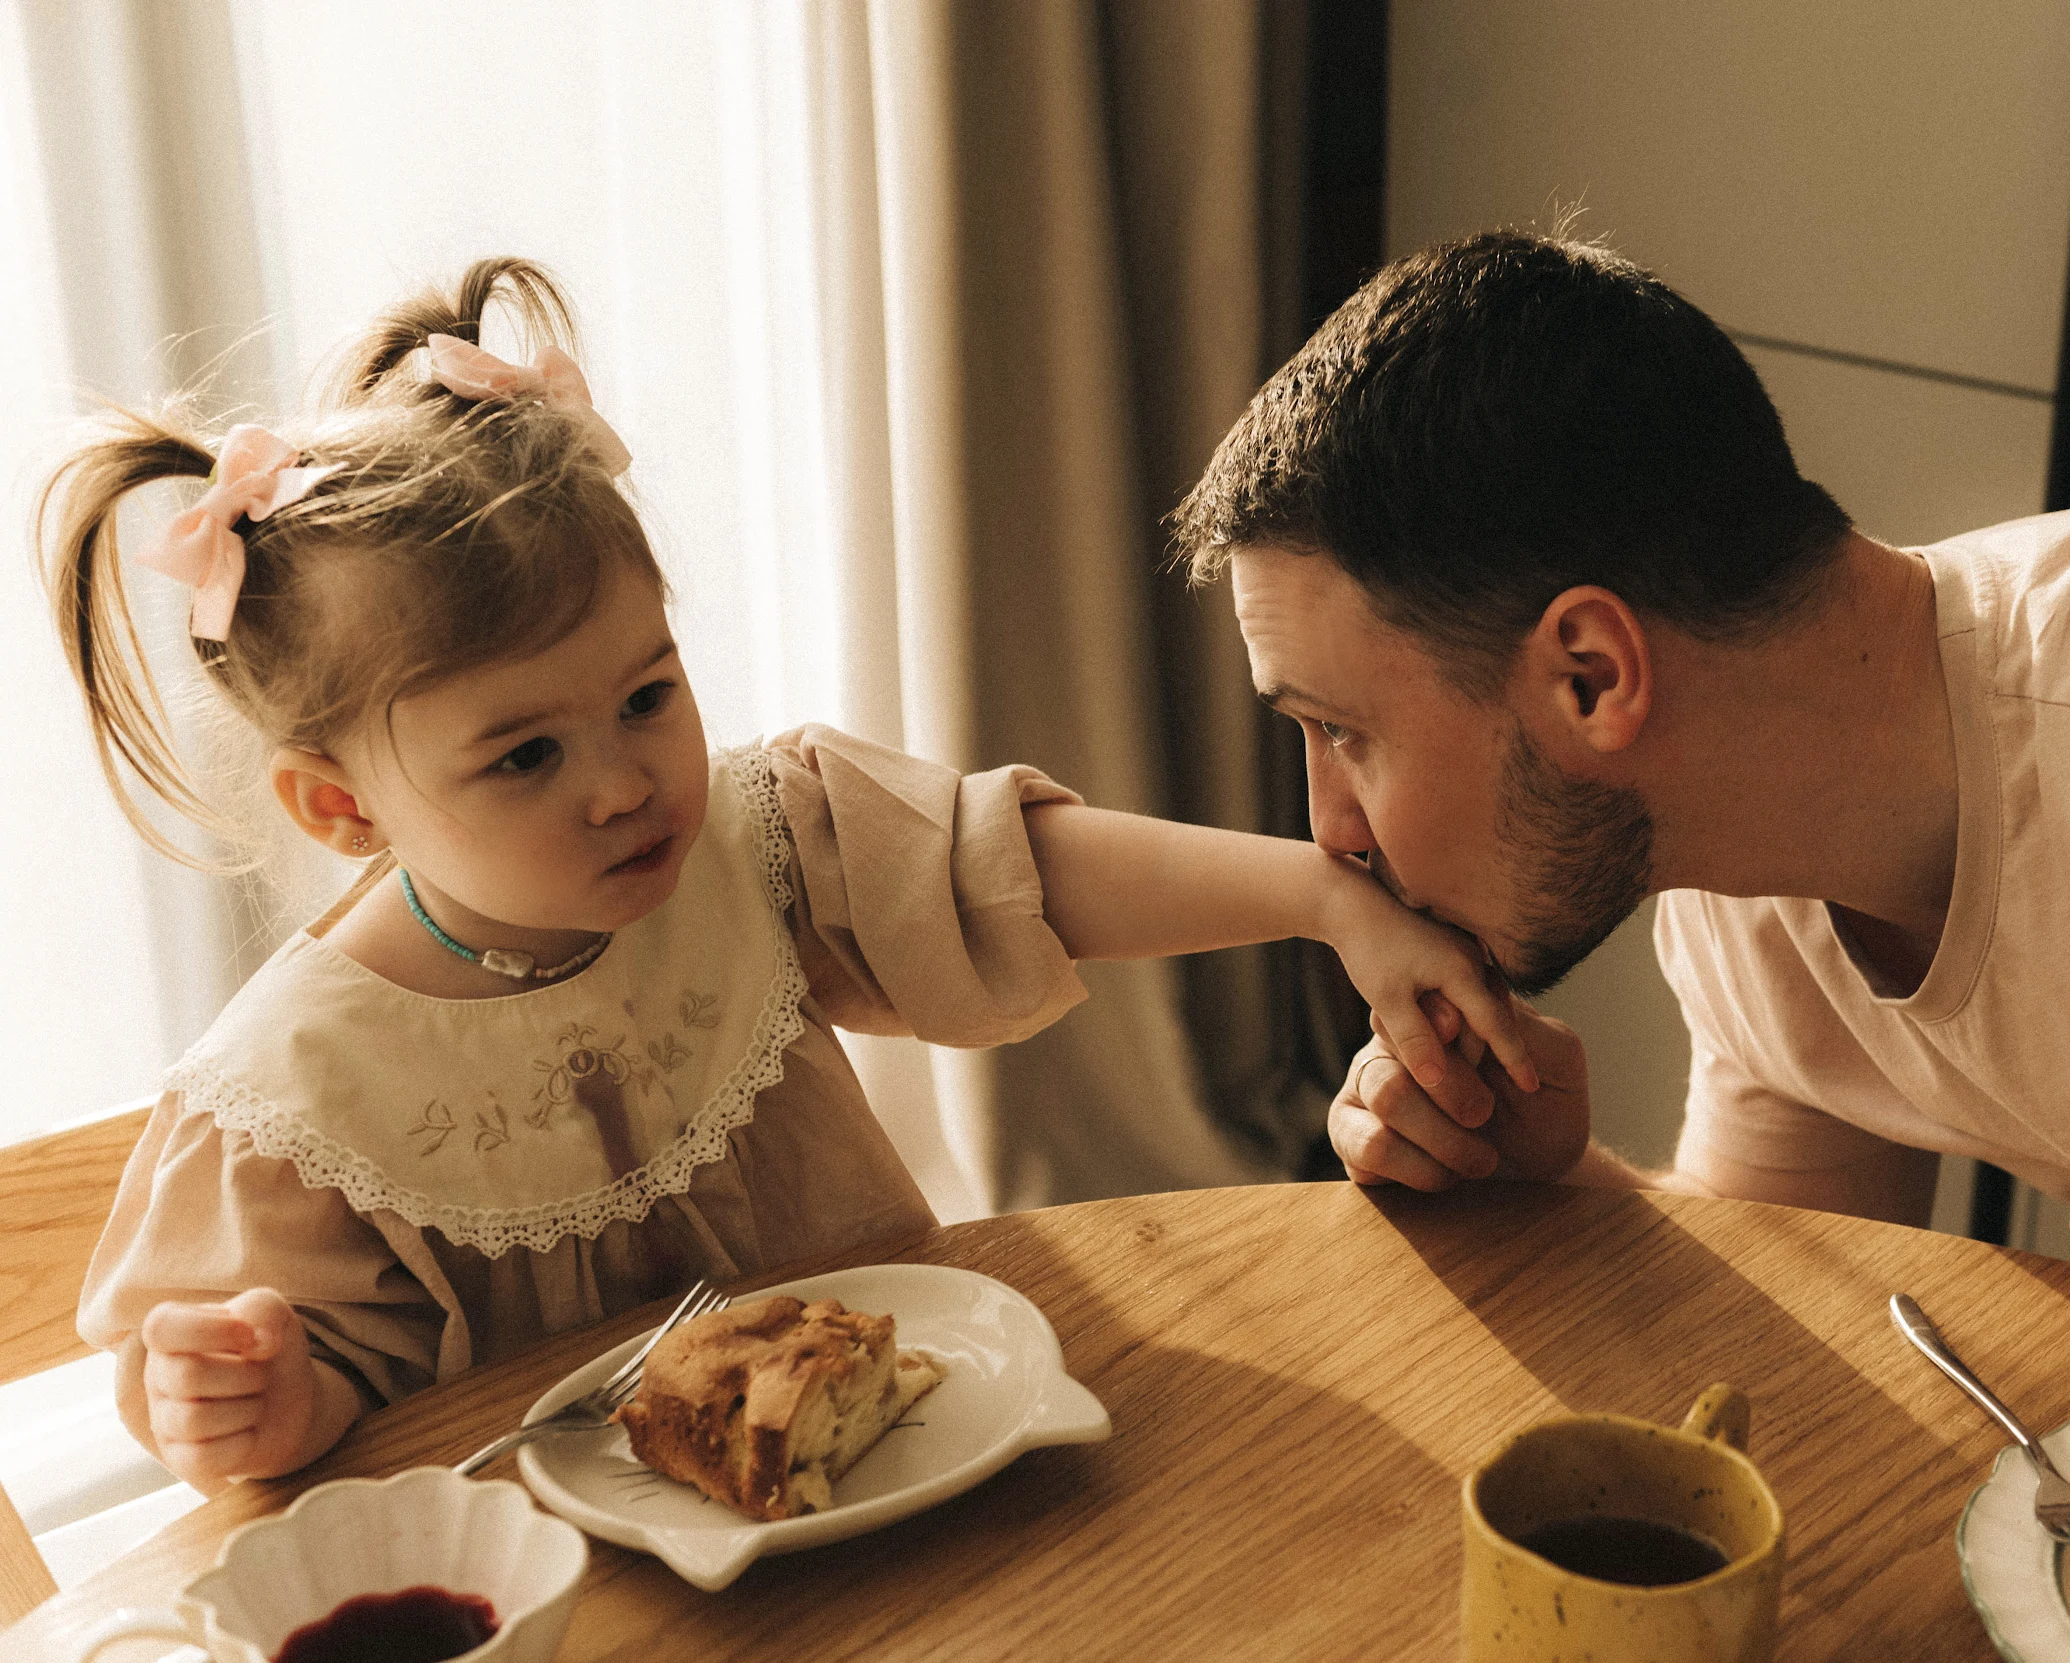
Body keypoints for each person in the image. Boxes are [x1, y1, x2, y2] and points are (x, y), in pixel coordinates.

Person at [52, 258, 1533, 1488]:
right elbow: (297, 1418)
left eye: (646, 696)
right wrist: (256, 1400)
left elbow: (1014, 871)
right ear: (340, 808)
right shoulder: (297, 1096)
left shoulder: (752, 841)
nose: (627, 783)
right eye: (525, 758)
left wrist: (1326, 897)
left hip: (882, 1485)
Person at [1170, 229, 2070, 1400]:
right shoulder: (1733, 861)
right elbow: (1809, 1302)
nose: (1331, 830)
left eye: (1342, 730)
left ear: (1594, 674)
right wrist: (1554, 1183)